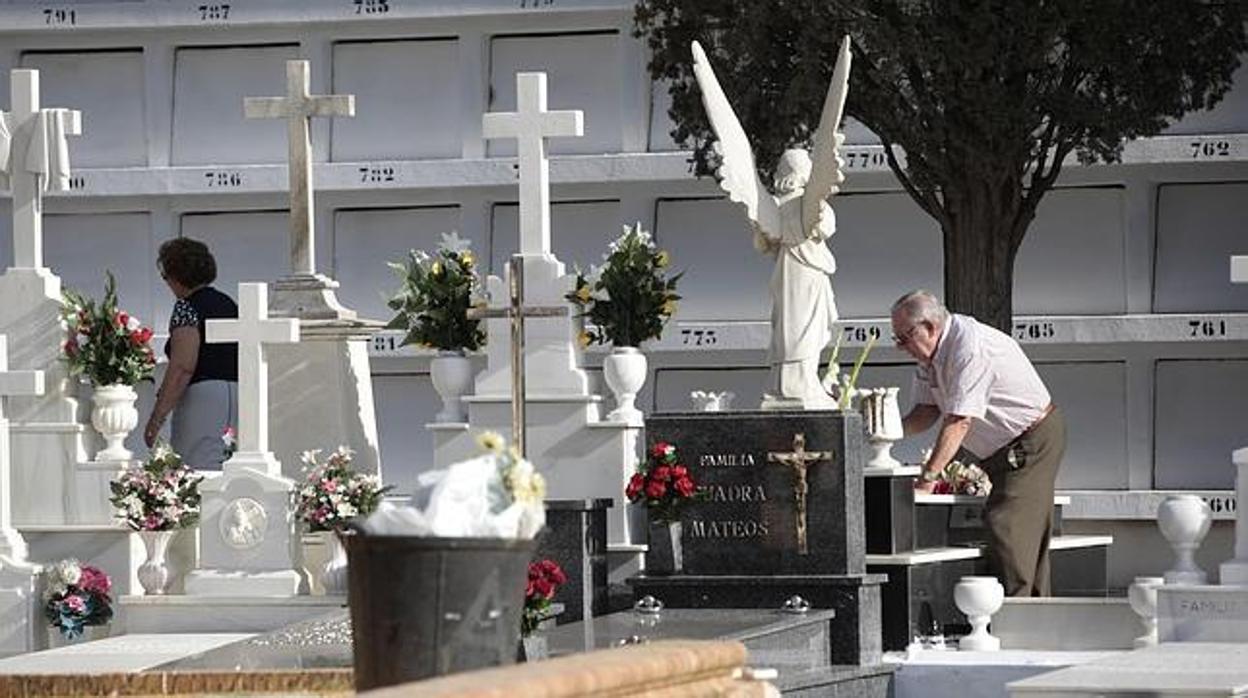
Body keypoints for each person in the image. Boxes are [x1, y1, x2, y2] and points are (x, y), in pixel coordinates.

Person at [891, 290, 1065, 596]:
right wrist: (882, 430)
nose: (901, 348)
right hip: (1004, 450)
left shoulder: (970, 347)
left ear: (929, 327)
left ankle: (1017, 615)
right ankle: (1033, 613)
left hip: (1029, 442)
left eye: (904, 338)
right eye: (897, 340)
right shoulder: (930, 357)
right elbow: (925, 412)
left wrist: (928, 478)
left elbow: (960, 421)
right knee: (1022, 541)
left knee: (1008, 530)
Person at [144, 238, 238, 470]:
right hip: (237, 393)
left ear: (176, 276)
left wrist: (157, 418)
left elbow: (182, 367)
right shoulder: (228, 304)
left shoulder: (186, 307)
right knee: (227, 464)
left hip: (203, 396)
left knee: (195, 467)